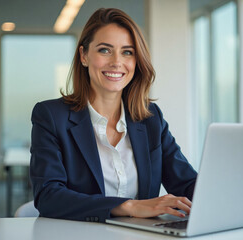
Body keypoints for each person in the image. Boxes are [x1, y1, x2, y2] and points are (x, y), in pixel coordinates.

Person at [30, 8, 197, 223]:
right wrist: (129, 206)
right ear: (84, 56)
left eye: (127, 52)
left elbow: (186, 183)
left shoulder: (150, 118)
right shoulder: (51, 116)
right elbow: (48, 197)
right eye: (105, 50)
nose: (117, 62)